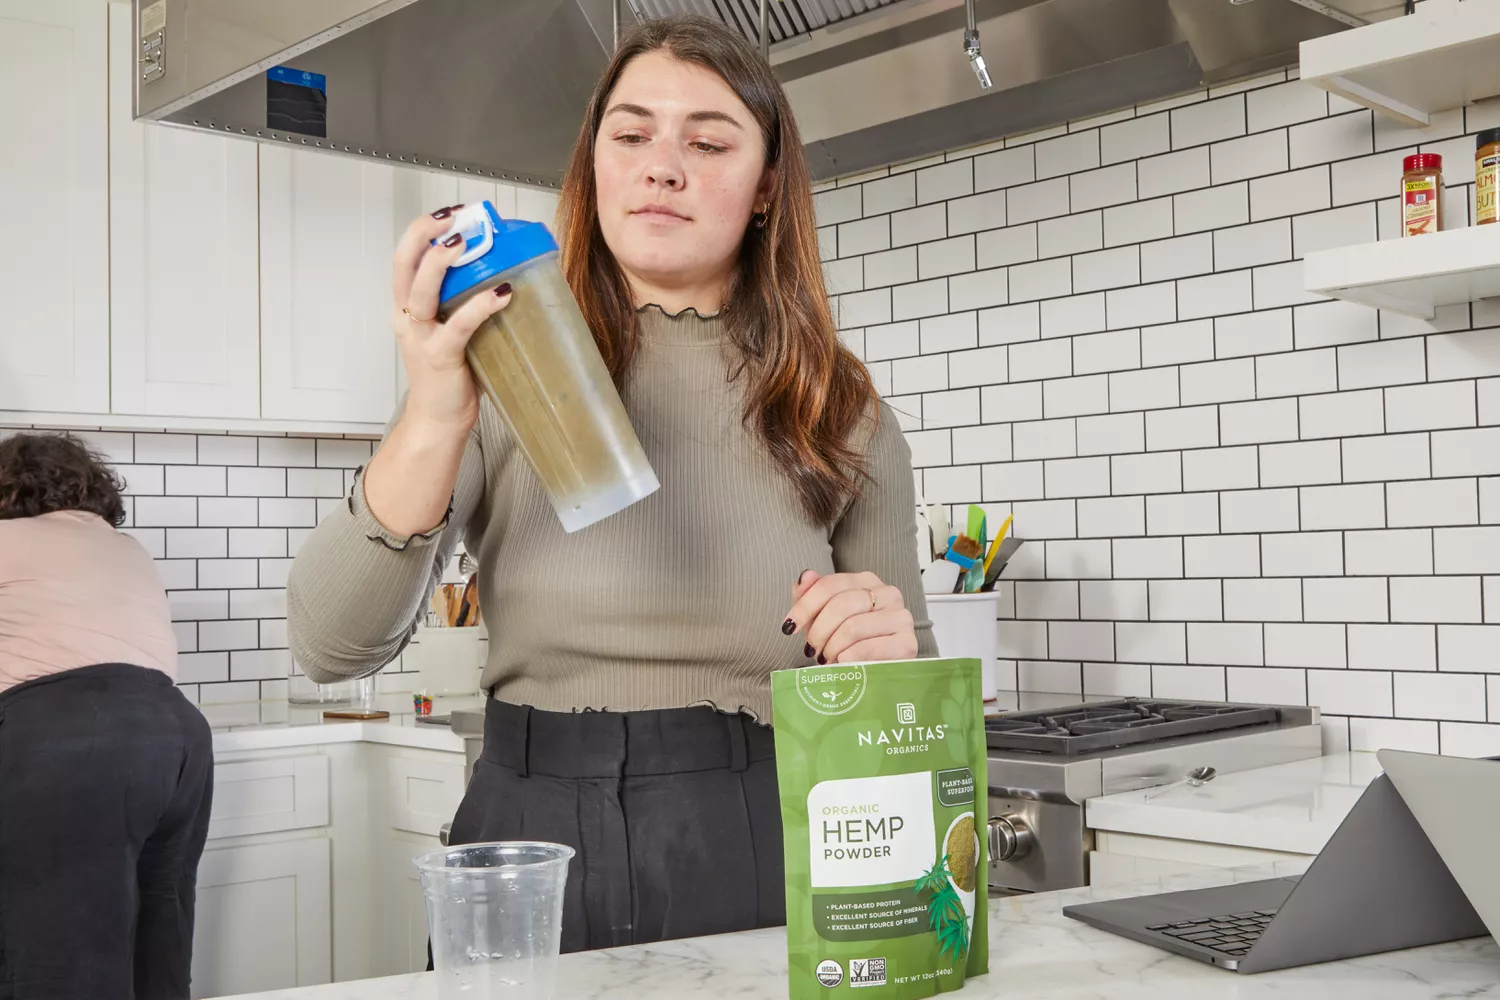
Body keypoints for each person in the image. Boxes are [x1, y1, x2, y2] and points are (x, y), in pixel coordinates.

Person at [287, 13, 936, 953]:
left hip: (763, 826)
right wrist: (435, 408)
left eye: (707, 142)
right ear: (595, 165)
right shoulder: (503, 359)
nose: (661, 165)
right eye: (630, 136)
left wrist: (893, 653)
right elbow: (328, 643)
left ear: (764, 190)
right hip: (528, 830)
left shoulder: (837, 402)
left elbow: (902, 709)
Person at [0, 432, 213, 1000]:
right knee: (159, 931)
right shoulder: (126, 547)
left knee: (59, 958)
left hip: (69, 739)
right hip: (178, 738)